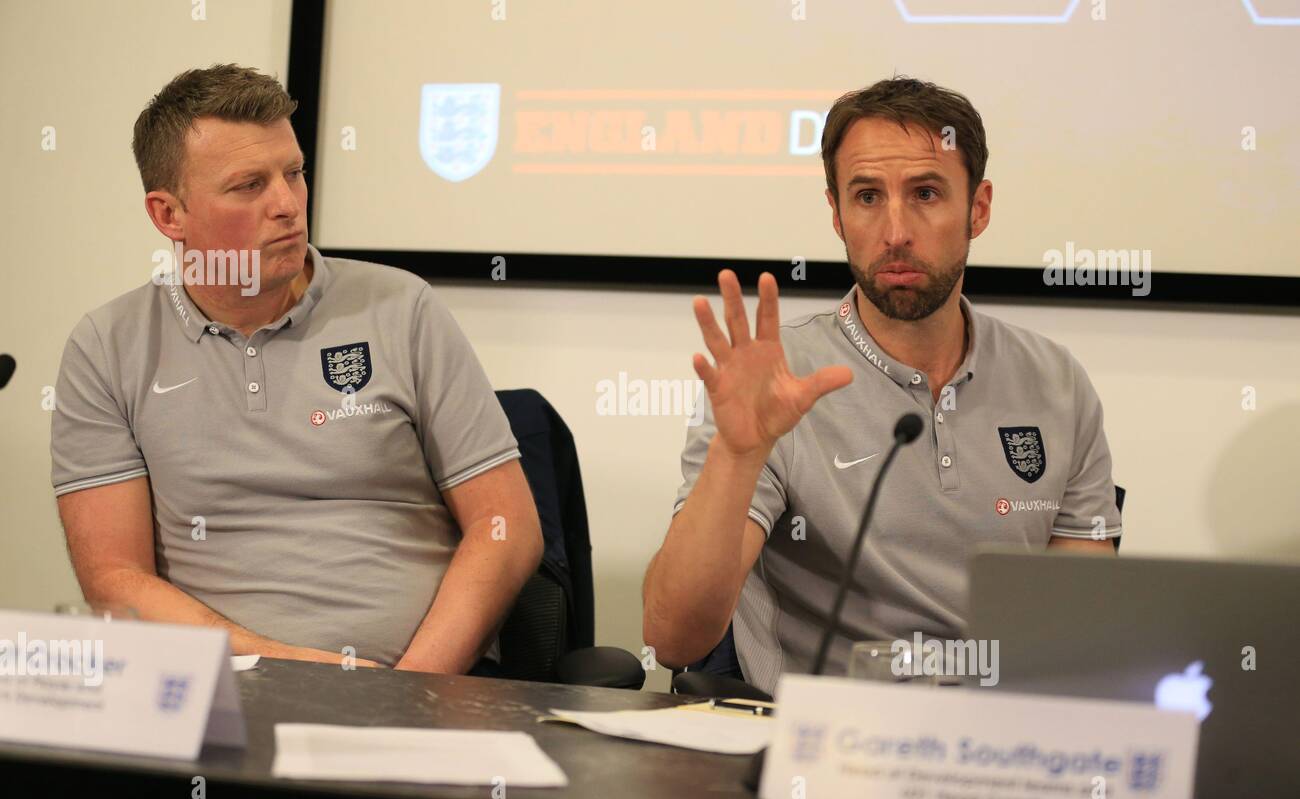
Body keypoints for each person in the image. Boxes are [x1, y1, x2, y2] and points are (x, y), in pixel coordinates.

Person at [51, 64, 541, 674]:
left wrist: (408, 690)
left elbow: (507, 527)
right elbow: (116, 579)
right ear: (168, 215)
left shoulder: (401, 308)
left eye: (294, 172)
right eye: (248, 185)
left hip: (418, 687)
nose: (287, 204)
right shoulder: (107, 347)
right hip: (217, 688)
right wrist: (292, 668)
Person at [643, 77, 1120, 694]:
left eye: (926, 193)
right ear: (837, 214)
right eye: (867, 196)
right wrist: (738, 456)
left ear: (979, 207)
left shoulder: (1056, 383)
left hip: (998, 742)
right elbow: (672, 638)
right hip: (820, 752)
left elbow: (1080, 632)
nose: (895, 230)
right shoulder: (777, 383)